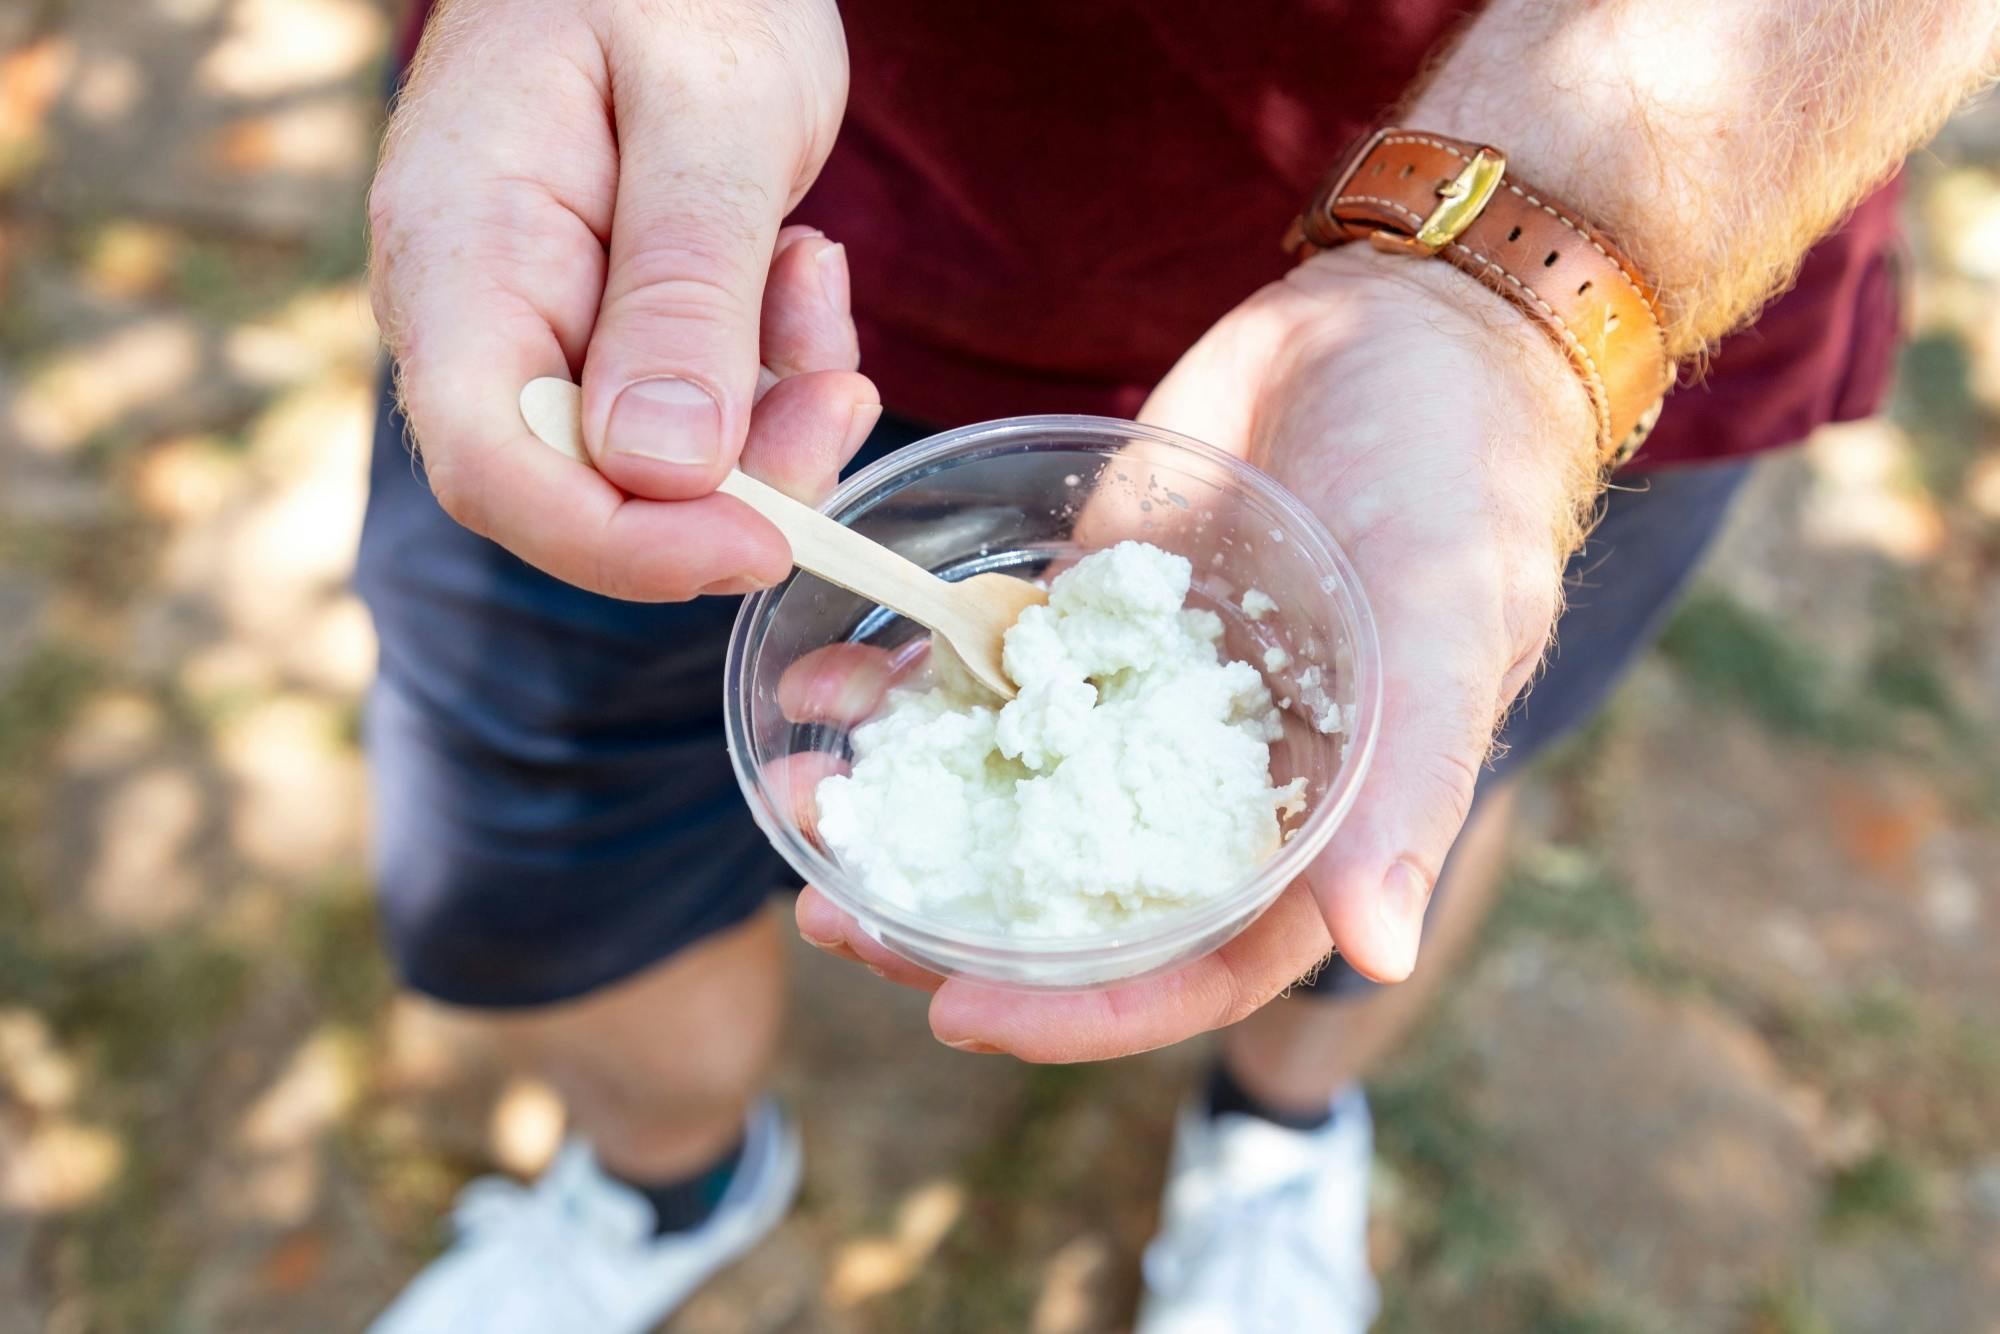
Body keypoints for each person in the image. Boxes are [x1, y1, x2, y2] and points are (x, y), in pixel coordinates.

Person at [357, 1, 1997, 1329]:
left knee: (1385, 809)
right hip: (764, 241)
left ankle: (1278, 1135)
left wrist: (1509, 292)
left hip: (1588, 254)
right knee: (533, 852)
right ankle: (663, 1181)